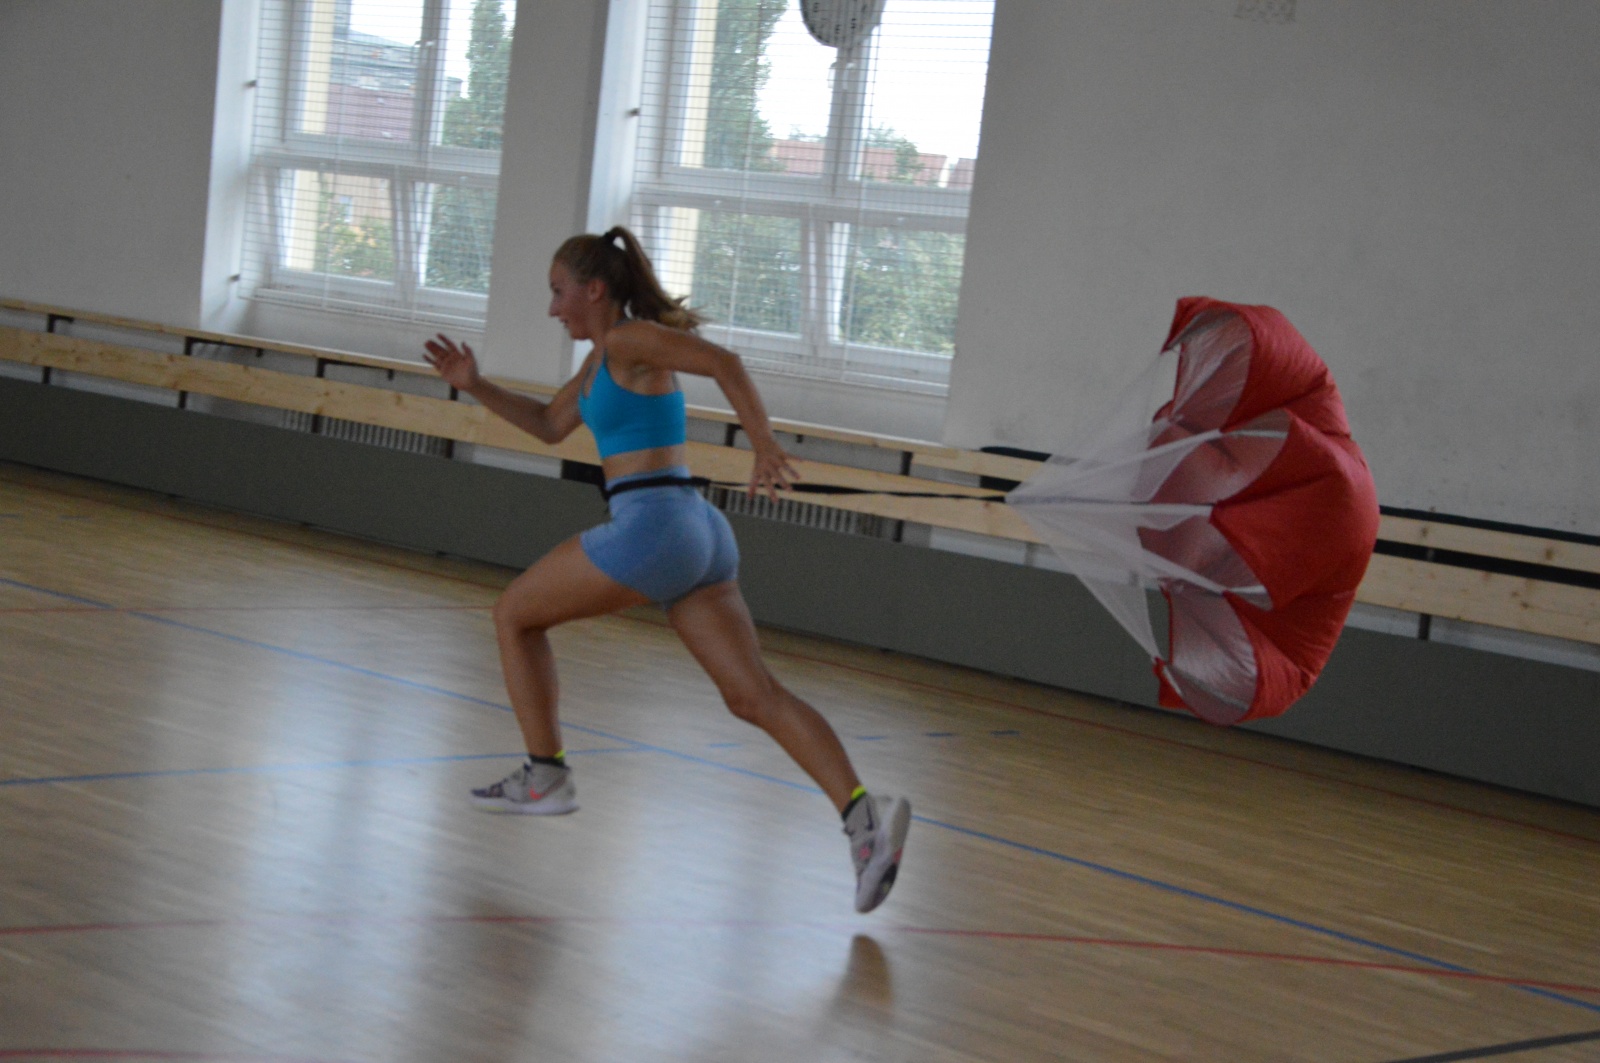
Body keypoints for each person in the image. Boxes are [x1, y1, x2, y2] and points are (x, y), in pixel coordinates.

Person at [422, 226, 910, 914]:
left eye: (559, 292)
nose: (552, 307)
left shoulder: (630, 341)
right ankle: (864, 818)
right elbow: (548, 425)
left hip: (651, 525)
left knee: (512, 616)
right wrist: (474, 386)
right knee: (753, 697)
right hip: (697, 532)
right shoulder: (598, 362)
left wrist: (764, 445)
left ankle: (546, 774)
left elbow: (725, 363)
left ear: (595, 290)